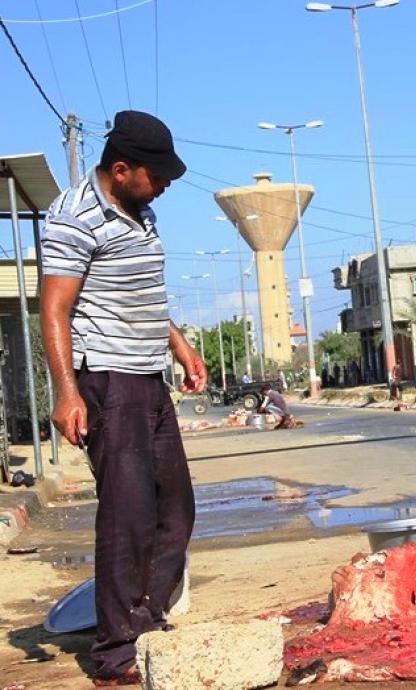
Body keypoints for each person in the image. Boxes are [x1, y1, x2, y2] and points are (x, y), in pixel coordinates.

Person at [40, 110, 207, 685]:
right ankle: (115, 654)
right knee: (127, 517)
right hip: (107, 382)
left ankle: (146, 623)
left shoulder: (142, 211)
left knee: (176, 510)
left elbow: (142, 293)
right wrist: (66, 393)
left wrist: (179, 345)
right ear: (120, 169)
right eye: (156, 176)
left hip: (148, 378)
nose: (164, 186)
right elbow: (55, 310)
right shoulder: (74, 217)